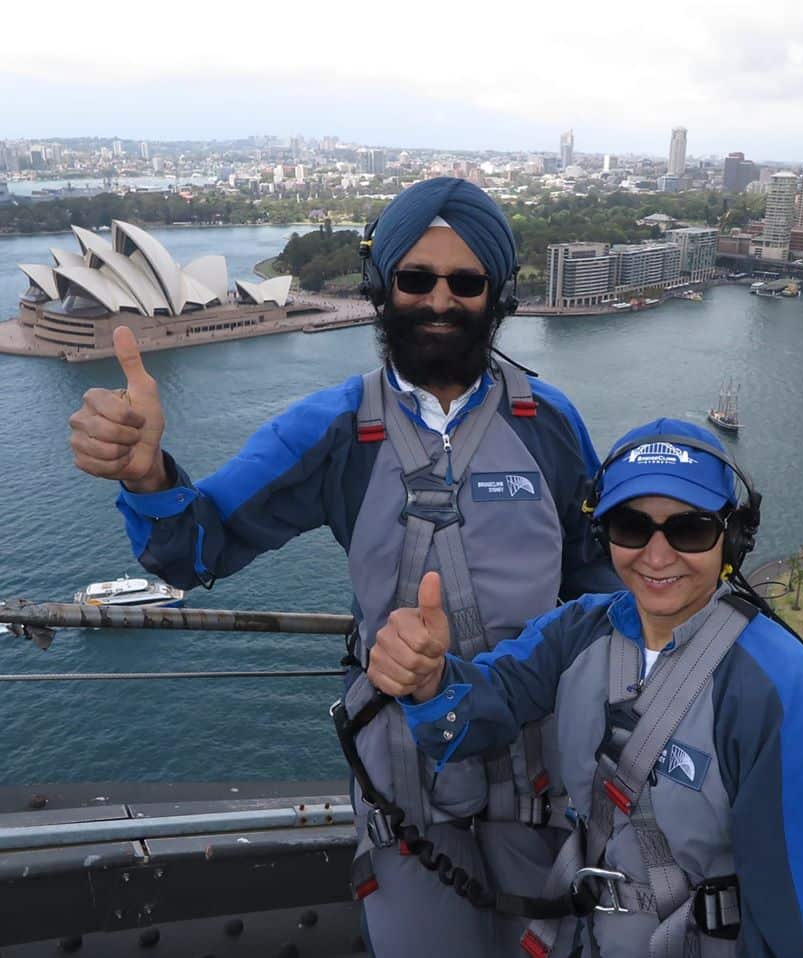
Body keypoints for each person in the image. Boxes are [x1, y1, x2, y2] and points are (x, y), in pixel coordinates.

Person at [67, 176, 619, 957]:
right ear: (381, 286)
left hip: (535, 770)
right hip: (403, 782)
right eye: (415, 278)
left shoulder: (550, 425)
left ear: (497, 295)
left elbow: (600, 588)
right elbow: (198, 546)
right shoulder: (336, 430)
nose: (438, 300)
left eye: (466, 282)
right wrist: (146, 476)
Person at [369, 418, 803, 958]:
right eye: (631, 526)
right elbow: (485, 705)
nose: (657, 554)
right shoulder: (578, 630)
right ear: (603, 534)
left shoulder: (780, 691)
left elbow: (802, 915)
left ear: (733, 537)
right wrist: (428, 681)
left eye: (690, 529)